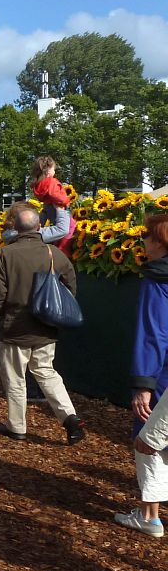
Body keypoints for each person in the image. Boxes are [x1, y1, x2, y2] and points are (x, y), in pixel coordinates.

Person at [0, 206, 85, 444]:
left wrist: (4, 315)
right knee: (47, 373)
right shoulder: (53, 253)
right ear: (40, 227)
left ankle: (17, 426)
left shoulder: (6, 254)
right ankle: (70, 417)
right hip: (45, 328)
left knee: (15, 378)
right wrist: (54, 312)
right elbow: (70, 285)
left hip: (14, 329)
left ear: (15, 229)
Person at [115, 214, 168, 537]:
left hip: (161, 376)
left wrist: (143, 385)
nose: (143, 241)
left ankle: (150, 515)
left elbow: (153, 334)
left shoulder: (158, 280)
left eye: (147, 236)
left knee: (148, 438)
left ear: (160, 242)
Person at [30, 156, 76, 256]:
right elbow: (54, 194)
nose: (54, 171)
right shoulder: (51, 182)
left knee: (56, 226)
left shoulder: (39, 184)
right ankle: (63, 249)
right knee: (70, 227)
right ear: (48, 171)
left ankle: (57, 245)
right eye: (54, 169)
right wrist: (65, 201)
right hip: (59, 208)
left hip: (49, 209)